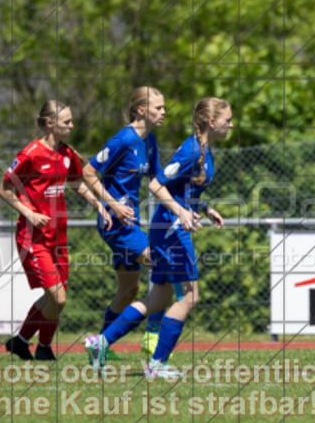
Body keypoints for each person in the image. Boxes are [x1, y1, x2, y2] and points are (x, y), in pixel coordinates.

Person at [85, 97, 233, 378]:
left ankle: (100, 342)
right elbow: (156, 184)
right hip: (171, 230)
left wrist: (204, 208)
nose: (232, 124)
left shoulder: (202, 150)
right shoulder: (191, 150)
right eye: (228, 120)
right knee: (190, 297)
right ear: (212, 122)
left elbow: (181, 191)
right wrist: (180, 211)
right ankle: (157, 364)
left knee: (158, 298)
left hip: (169, 226)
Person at [0, 100, 111, 362]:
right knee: (57, 298)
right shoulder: (30, 154)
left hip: (58, 237)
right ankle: (30, 342)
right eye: (67, 122)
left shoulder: (66, 153)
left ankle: (35, 345)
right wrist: (29, 213)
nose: (72, 126)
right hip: (32, 238)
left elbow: (75, 183)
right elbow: (3, 190)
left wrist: (96, 203)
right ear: (50, 124)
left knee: (57, 298)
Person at [81, 87, 169, 358]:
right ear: (141, 110)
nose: (164, 112)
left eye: (164, 107)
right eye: (158, 108)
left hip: (132, 223)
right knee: (164, 265)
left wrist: (185, 205)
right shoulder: (122, 140)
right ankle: (152, 334)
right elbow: (88, 172)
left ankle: (101, 348)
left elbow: (157, 181)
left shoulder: (149, 140)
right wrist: (113, 204)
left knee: (129, 289)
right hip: (117, 225)